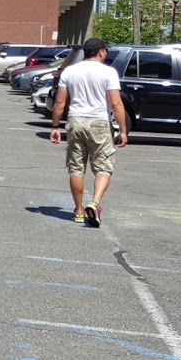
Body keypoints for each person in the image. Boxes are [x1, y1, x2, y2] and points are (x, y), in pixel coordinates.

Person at [49, 38, 129, 228]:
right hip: (99, 122)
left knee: (76, 168)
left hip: (75, 121)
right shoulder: (108, 72)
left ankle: (78, 210)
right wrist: (123, 129)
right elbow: (116, 104)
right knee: (103, 167)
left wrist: (55, 126)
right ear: (101, 52)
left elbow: (60, 102)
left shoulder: (70, 71)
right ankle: (95, 203)